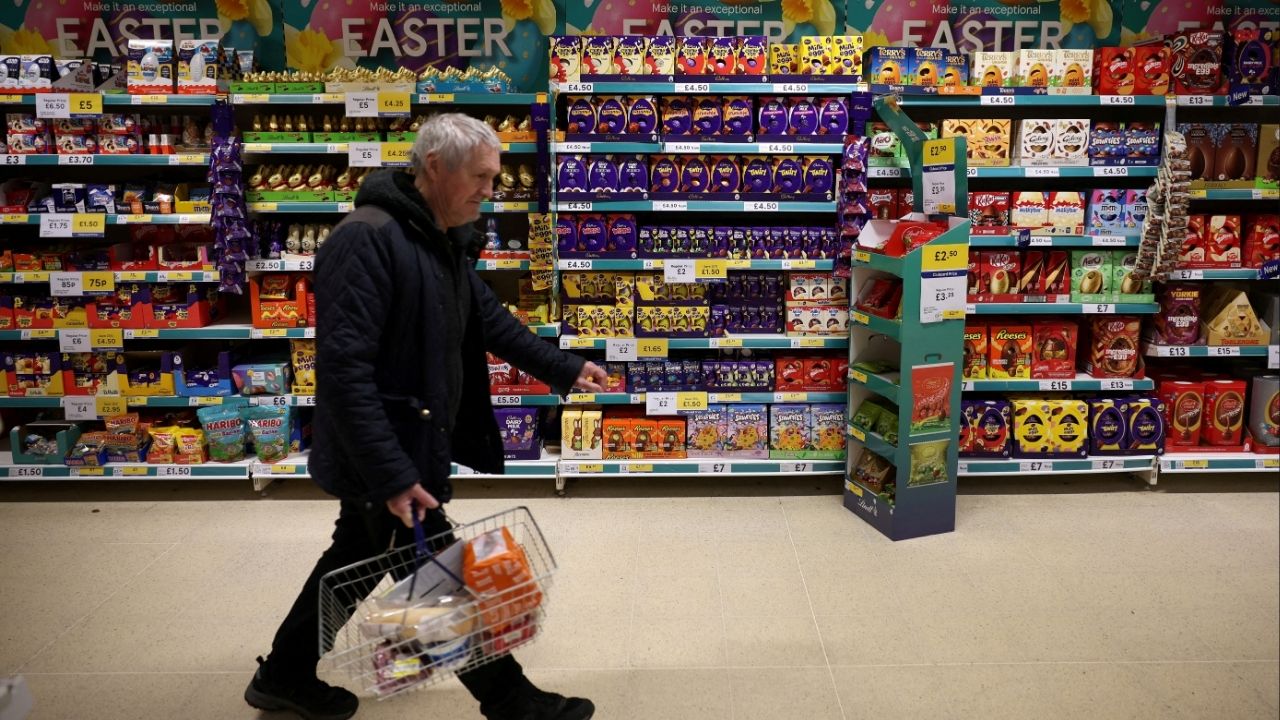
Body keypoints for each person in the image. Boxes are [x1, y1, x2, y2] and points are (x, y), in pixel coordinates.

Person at [245, 113, 606, 720]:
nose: (491, 192)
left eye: (495, 178)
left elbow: (487, 320)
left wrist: (564, 369)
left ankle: (283, 674)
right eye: (481, 177)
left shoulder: (440, 237)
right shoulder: (367, 239)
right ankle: (511, 700)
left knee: (357, 560)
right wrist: (389, 474)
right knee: (435, 564)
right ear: (435, 167)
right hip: (386, 448)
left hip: (412, 438)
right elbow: (343, 372)